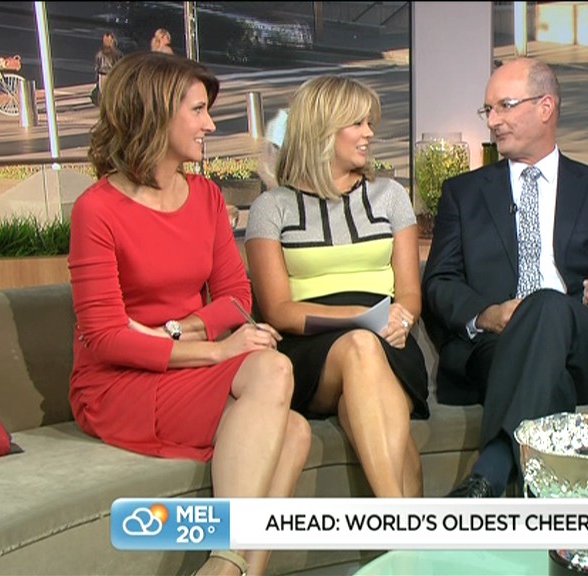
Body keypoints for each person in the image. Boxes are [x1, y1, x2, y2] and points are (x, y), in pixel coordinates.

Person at [69, 52, 310, 576]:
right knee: (272, 370)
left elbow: (236, 298)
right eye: (198, 110)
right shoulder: (97, 209)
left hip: (182, 364)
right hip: (119, 383)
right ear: (156, 115)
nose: (210, 124)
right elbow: (106, 337)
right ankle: (226, 561)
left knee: (295, 431)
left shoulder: (206, 197)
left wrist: (177, 330)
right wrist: (217, 349)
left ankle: (232, 570)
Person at [423, 58, 588, 498]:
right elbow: (440, 281)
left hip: (587, 341)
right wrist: (487, 314)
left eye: (505, 106)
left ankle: (492, 468)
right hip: (497, 345)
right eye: (488, 110)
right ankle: (532, 502)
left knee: (548, 304)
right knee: (550, 379)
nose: (493, 121)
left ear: (546, 106)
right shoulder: (464, 193)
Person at [245, 75, 428, 499]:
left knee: (359, 400)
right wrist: (362, 319)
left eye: (370, 123)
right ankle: (403, 519)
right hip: (311, 348)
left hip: (390, 342)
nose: (369, 133)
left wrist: (402, 319)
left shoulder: (390, 196)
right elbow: (278, 310)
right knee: (360, 346)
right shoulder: (272, 208)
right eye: (357, 123)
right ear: (322, 129)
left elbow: (410, 293)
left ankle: (400, 526)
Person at [92, 32, 122, 106]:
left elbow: (97, 67)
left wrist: (97, 78)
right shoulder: (117, 54)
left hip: (104, 75)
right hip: (111, 75)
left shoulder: (100, 54)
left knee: (104, 94)